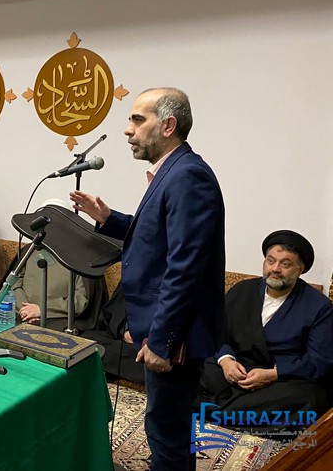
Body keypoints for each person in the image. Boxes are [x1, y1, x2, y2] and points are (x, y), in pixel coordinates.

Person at [70, 87, 225, 470]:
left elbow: (185, 267)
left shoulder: (188, 176)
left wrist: (161, 342)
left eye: (138, 119)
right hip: (161, 329)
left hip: (174, 336)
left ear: (168, 125)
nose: (128, 129)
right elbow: (157, 238)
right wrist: (108, 219)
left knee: (166, 432)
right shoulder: (173, 172)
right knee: (169, 428)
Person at [197, 230, 333, 432]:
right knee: (194, 364)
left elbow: (319, 361)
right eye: (271, 261)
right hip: (234, 370)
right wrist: (226, 361)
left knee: (308, 397)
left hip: (279, 380)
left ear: (300, 269)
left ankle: (209, 410)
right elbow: (216, 331)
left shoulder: (319, 307)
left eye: (285, 264)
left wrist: (273, 374)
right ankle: (236, 413)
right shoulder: (243, 290)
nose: (275, 269)